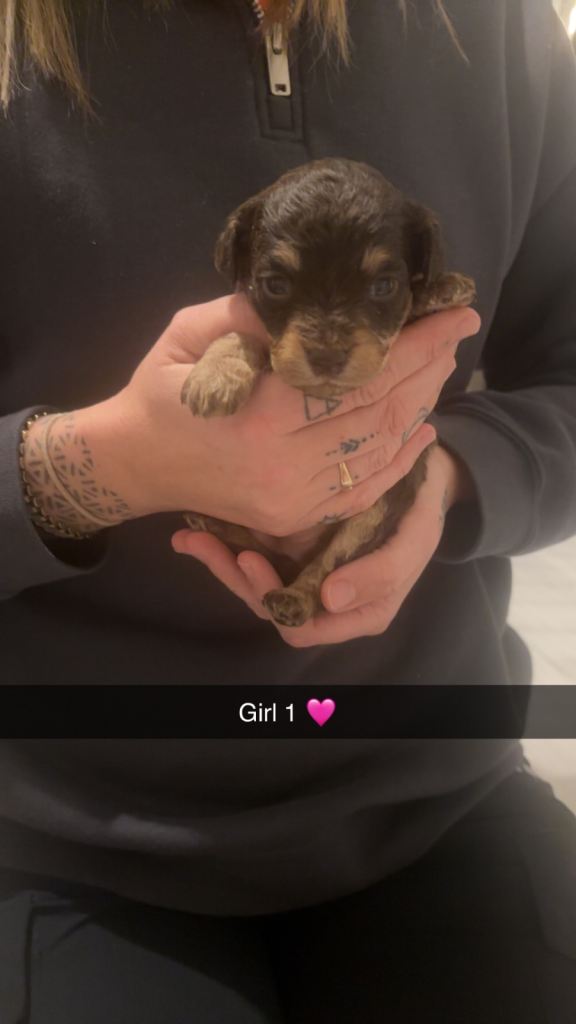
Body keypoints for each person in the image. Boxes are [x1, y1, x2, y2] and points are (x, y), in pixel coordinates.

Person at [0, 0, 575, 1020]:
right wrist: (93, 468)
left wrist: (446, 476)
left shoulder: (501, 27)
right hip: (74, 822)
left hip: (434, 787)